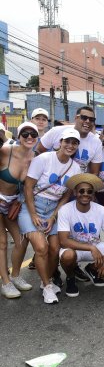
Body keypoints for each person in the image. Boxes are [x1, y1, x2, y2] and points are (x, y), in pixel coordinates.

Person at [19, 128, 82, 304]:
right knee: (41, 248)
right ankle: (47, 287)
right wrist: (33, 214)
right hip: (32, 205)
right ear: (60, 142)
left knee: (55, 247)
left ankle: (44, 280)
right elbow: (28, 187)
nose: (70, 145)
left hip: (54, 209)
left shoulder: (75, 167)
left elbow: (66, 195)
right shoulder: (44, 159)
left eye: (74, 143)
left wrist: (53, 216)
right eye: (67, 141)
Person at [58, 173, 104, 298]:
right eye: (81, 191)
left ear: (93, 194)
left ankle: (92, 269)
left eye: (89, 191)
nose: (85, 194)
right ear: (75, 193)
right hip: (76, 248)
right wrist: (90, 247)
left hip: (95, 246)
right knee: (67, 256)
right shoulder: (65, 209)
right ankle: (71, 277)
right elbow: (63, 241)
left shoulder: (101, 210)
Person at [0, 123, 34, 299]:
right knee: (2, 243)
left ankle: (15, 276)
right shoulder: (6, 150)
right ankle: (5, 283)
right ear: (18, 136)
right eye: (25, 134)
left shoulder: (34, 157)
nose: (29, 137)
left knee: (21, 241)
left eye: (33, 134)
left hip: (13, 203)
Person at [36, 105, 102, 175]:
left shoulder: (96, 142)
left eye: (92, 119)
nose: (88, 121)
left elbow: (94, 172)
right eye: (84, 118)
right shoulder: (56, 131)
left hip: (76, 182)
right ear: (76, 118)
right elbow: (38, 151)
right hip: (50, 179)